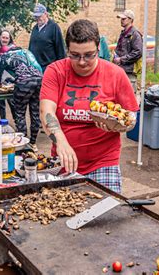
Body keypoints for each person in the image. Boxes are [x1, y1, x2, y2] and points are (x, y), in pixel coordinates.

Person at [40, 19, 138, 193]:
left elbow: (131, 117)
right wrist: (60, 141)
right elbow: (46, 111)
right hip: (64, 160)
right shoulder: (55, 71)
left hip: (103, 161)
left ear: (99, 48)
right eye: (75, 55)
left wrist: (118, 125)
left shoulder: (116, 74)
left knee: (106, 215)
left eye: (89, 55)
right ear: (67, 50)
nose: (82, 62)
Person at [0, 46, 43, 152]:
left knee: (20, 114)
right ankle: (33, 143)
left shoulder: (5, 56)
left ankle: (23, 144)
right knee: (35, 113)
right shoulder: (27, 52)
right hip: (40, 81)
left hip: (23, 83)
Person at [28, 3, 66, 72]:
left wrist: (61, 68)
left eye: (39, 16)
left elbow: (60, 49)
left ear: (46, 14)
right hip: (35, 68)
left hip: (49, 68)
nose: (37, 18)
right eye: (36, 16)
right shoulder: (35, 28)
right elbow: (30, 46)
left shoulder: (54, 27)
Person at [112, 9, 143, 91]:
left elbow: (138, 52)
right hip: (120, 71)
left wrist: (121, 59)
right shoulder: (123, 33)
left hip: (130, 73)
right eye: (121, 19)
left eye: (123, 19)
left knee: (129, 100)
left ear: (130, 20)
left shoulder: (135, 34)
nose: (121, 21)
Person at [0, 29, 16, 120]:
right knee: (1, 103)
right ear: (0, 37)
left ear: (10, 39)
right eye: (3, 37)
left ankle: (16, 122)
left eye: (7, 38)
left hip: (10, 79)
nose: (5, 39)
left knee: (12, 102)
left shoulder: (13, 49)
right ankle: (3, 122)